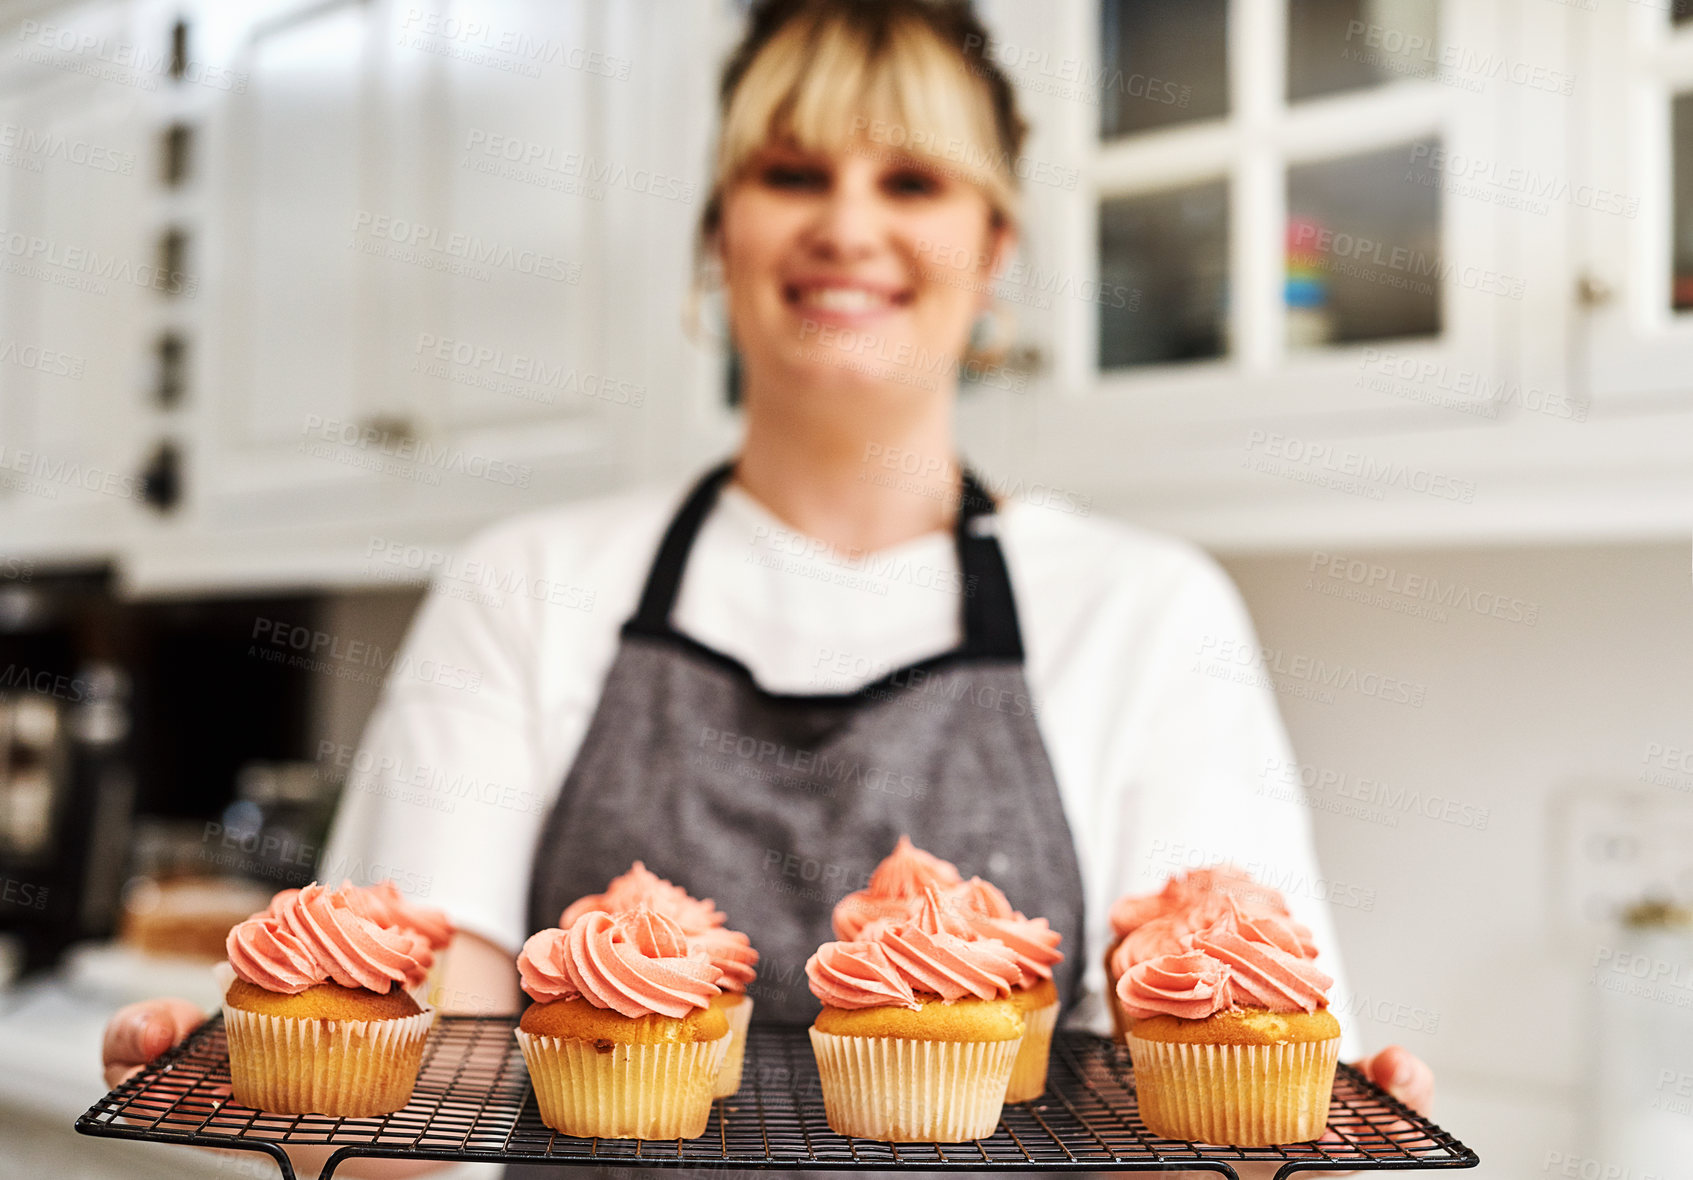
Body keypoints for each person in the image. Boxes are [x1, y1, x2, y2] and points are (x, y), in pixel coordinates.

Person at [103, 0, 1433, 1169]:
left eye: (911, 180)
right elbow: (428, 1052)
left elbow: (1229, 1078)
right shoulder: (524, 587)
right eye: (792, 172)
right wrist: (306, 1076)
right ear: (717, 232)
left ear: (993, 249)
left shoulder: (1148, 611)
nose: (847, 225)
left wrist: (1297, 1150)